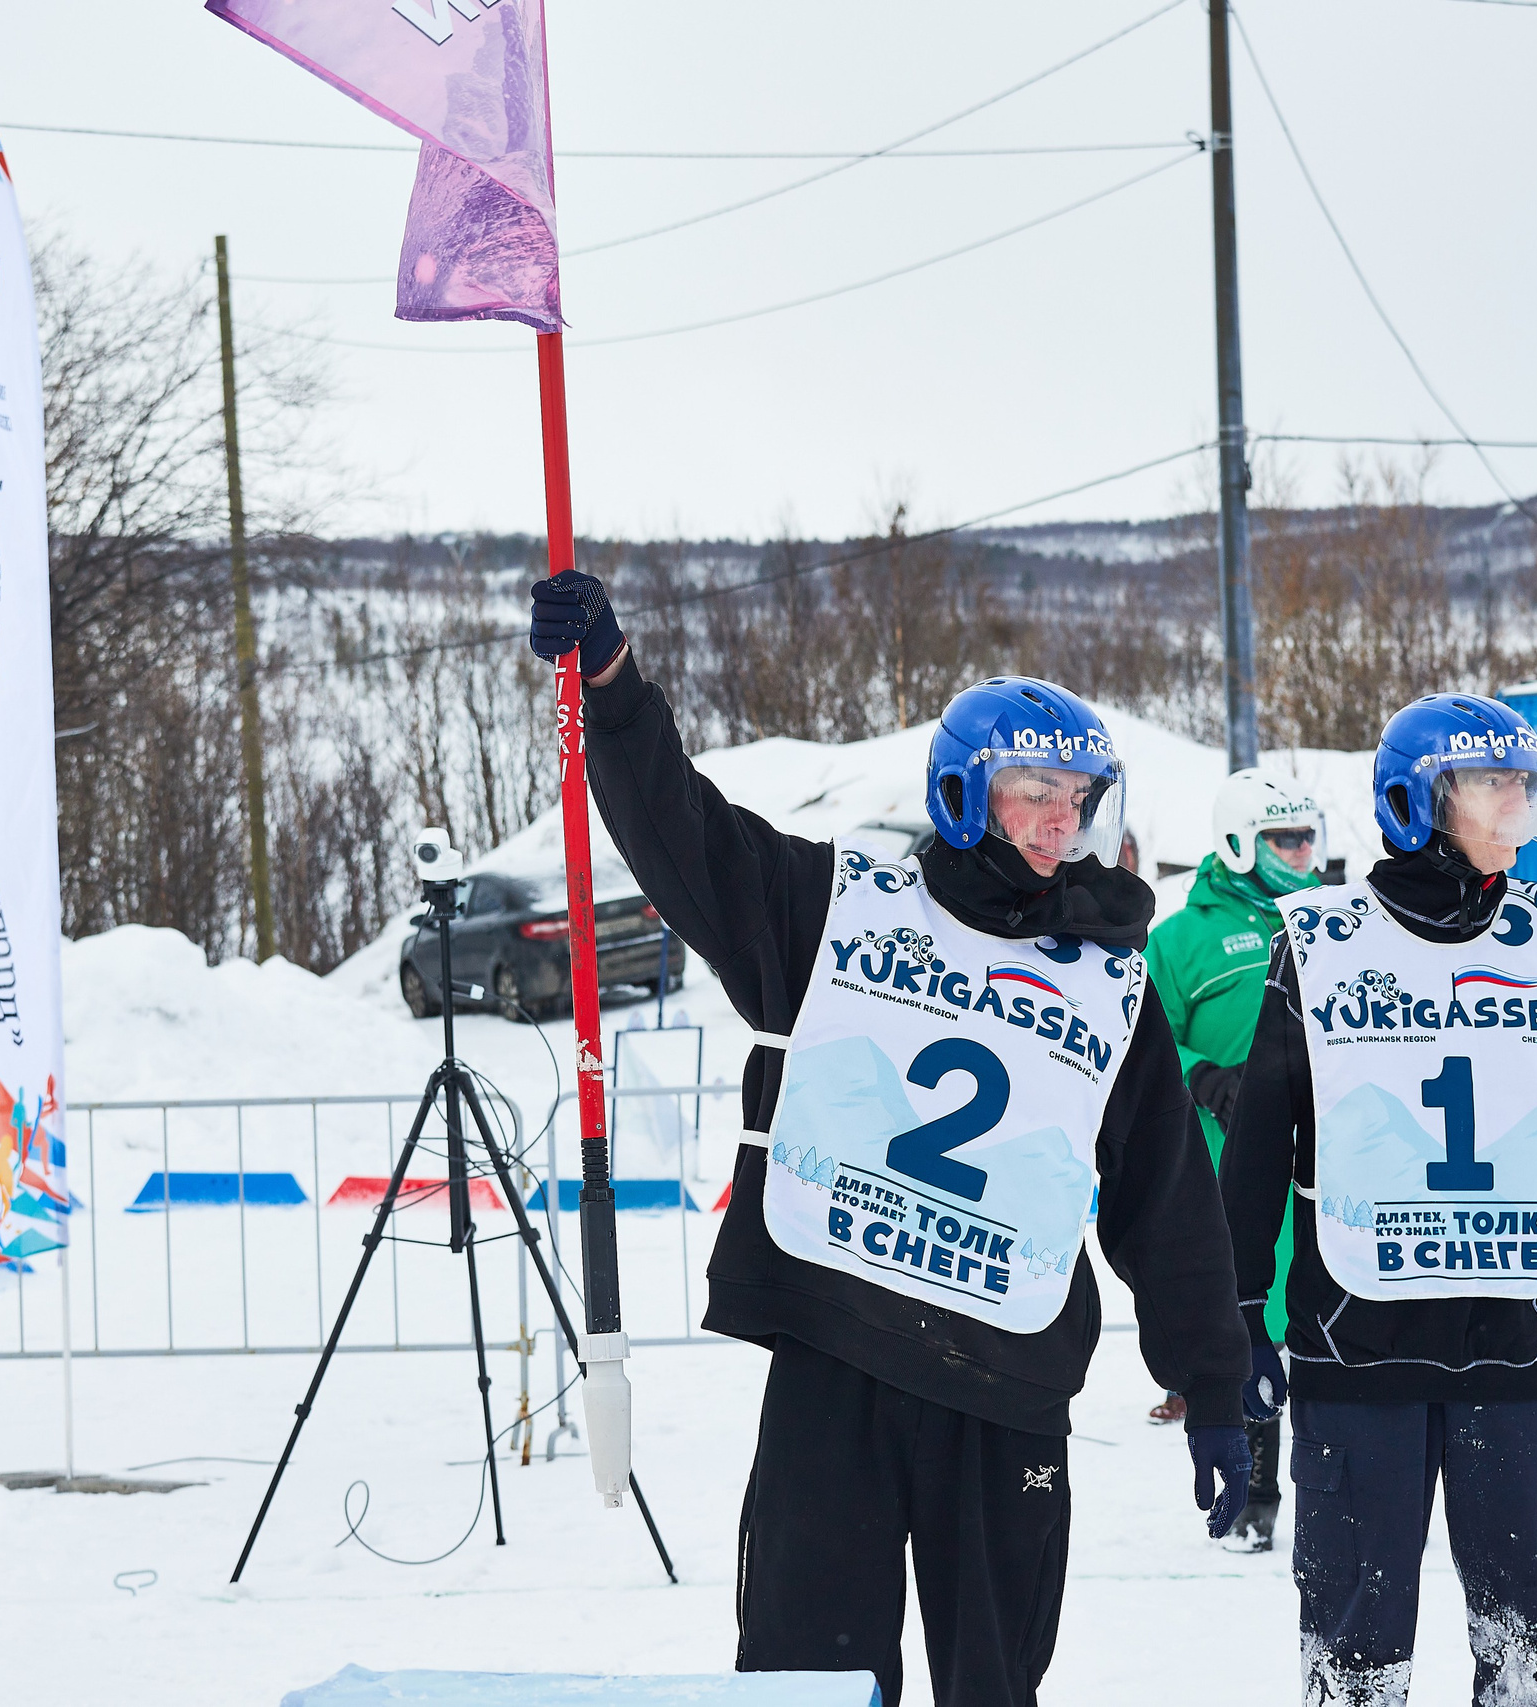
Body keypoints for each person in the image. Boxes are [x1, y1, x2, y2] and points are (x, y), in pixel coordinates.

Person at [530, 570, 1251, 1707]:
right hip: (839, 1359)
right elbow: (689, 841)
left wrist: (1214, 1383)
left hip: (1005, 1383)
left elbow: (1166, 1201)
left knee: (993, 1689)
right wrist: (615, 693)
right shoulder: (840, 908)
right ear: (967, 794)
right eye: (1031, 791)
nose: (1060, 819)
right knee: (805, 1685)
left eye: (1080, 795)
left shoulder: (1111, 987)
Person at [1222, 693, 1537, 1705]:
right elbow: (1258, 1146)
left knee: (1522, 1657)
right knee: (1354, 1668)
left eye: (1526, 783)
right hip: (1359, 1355)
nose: (1518, 802)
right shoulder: (1316, 941)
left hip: (1516, 1355)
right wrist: (1232, 1318)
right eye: (1494, 783)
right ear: (1419, 802)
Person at [1141, 769, 1326, 1548]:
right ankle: (1253, 1489)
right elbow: (1138, 1034)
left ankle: (1348, 1488)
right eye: (1284, 840)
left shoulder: (1331, 925)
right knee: (1244, 1324)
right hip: (1226, 1168)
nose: (1301, 854)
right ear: (1238, 843)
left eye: (1307, 839)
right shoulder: (1183, 937)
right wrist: (1201, 1074)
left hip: (1320, 1160)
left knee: (1327, 1324)